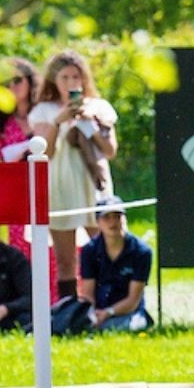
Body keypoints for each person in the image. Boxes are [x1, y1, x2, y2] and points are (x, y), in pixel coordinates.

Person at [29, 50, 118, 298]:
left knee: (105, 249)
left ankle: (107, 305)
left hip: (93, 183)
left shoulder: (99, 107)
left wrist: (90, 124)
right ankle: (70, 309)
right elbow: (45, 152)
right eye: (65, 77)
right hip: (60, 185)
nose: (71, 83)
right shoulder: (43, 111)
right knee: (65, 259)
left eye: (76, 77)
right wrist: (58, 122)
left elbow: (110, 150)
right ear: (54, 80)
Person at [0, 57, 56, 292]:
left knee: (52, 251)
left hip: (50, 191)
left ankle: (57, 304)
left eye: (17, 80)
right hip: (17, 197)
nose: (12, 87)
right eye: (6, 83)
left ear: (29, 81)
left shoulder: (45, 113)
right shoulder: (1, 124)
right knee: (23, 254)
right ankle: (28, 303)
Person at [76, 197, 154, 332]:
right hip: (98, 311)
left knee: (130, 326)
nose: (113, 222)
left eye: (117, 216)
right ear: (98, 222)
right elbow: (88, 294)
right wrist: (93, 315)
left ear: (125, 219)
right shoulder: (89, 251)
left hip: (129, 311)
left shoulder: (142, 251)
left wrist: (108, 313)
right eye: (106, 217)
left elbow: (133, 300)